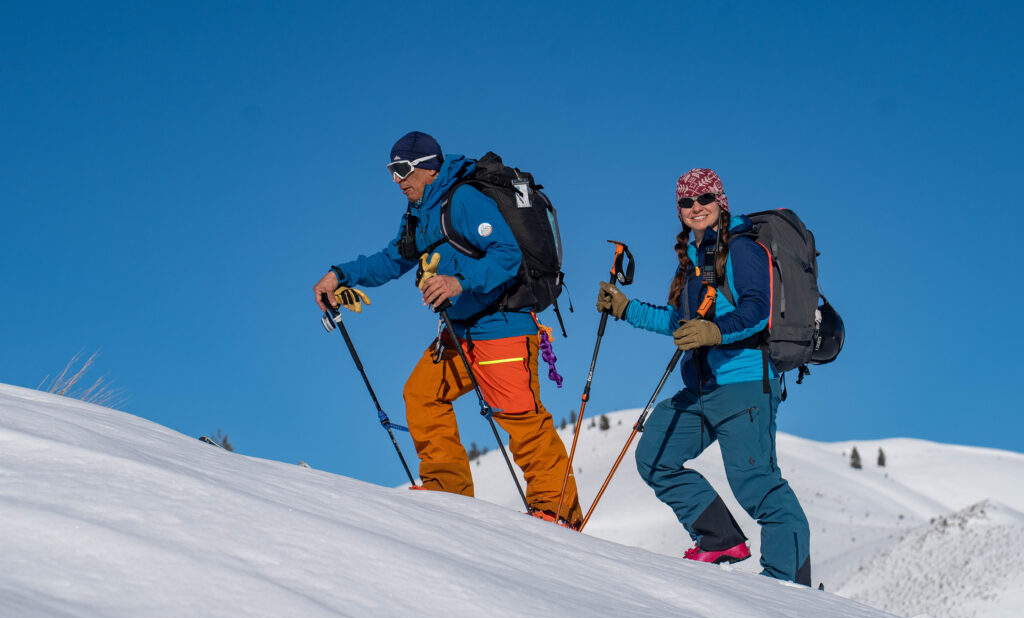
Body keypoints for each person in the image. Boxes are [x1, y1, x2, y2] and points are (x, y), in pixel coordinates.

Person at [314, 131, 583, 528]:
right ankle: (448, 495)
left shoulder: (463, 200)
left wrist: (459, 282)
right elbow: (391, 260)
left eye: (402, 169)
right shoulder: (420, 215)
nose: (396, 180)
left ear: (428, 166)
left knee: (520, 417)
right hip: (459, 333)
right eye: (391, 171)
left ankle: (558, 512)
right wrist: (340, 274)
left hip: (502, 325)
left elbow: (507, 254)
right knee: (422, 394)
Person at [595, 168, 811, 585]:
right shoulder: (694, 261)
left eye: (705, 199)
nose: (696, 208)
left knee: (757, 486)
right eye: (686, 202)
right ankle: (718, 539)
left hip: (745, 383)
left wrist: (715, 330)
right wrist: (625, 308)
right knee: (655, 455)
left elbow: (756, 309)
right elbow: (680, 322)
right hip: (700, 387)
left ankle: (789, 584)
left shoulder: (742, 250)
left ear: (721, 202)